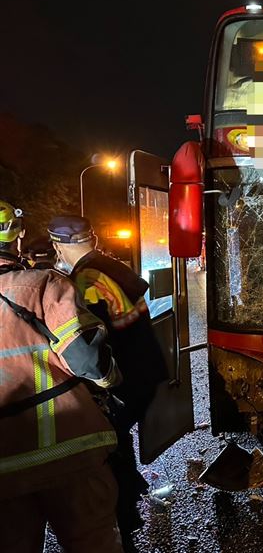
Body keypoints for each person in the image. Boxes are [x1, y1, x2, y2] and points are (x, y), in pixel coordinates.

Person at [0, 200, 123, 553]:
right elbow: (88, 360)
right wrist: (111, 380)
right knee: (94, 543)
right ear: (18, 238)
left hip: (4, 468)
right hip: (70, 450)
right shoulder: (43, 285)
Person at [48, 215, 168, 551]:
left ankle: (124, 517)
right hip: (146, 371)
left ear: (58, 245)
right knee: (117, 439)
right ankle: (130, 491)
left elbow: (90, 345)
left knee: (108, 445)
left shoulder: (85, 280)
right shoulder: (112, 267)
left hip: (122, 380)